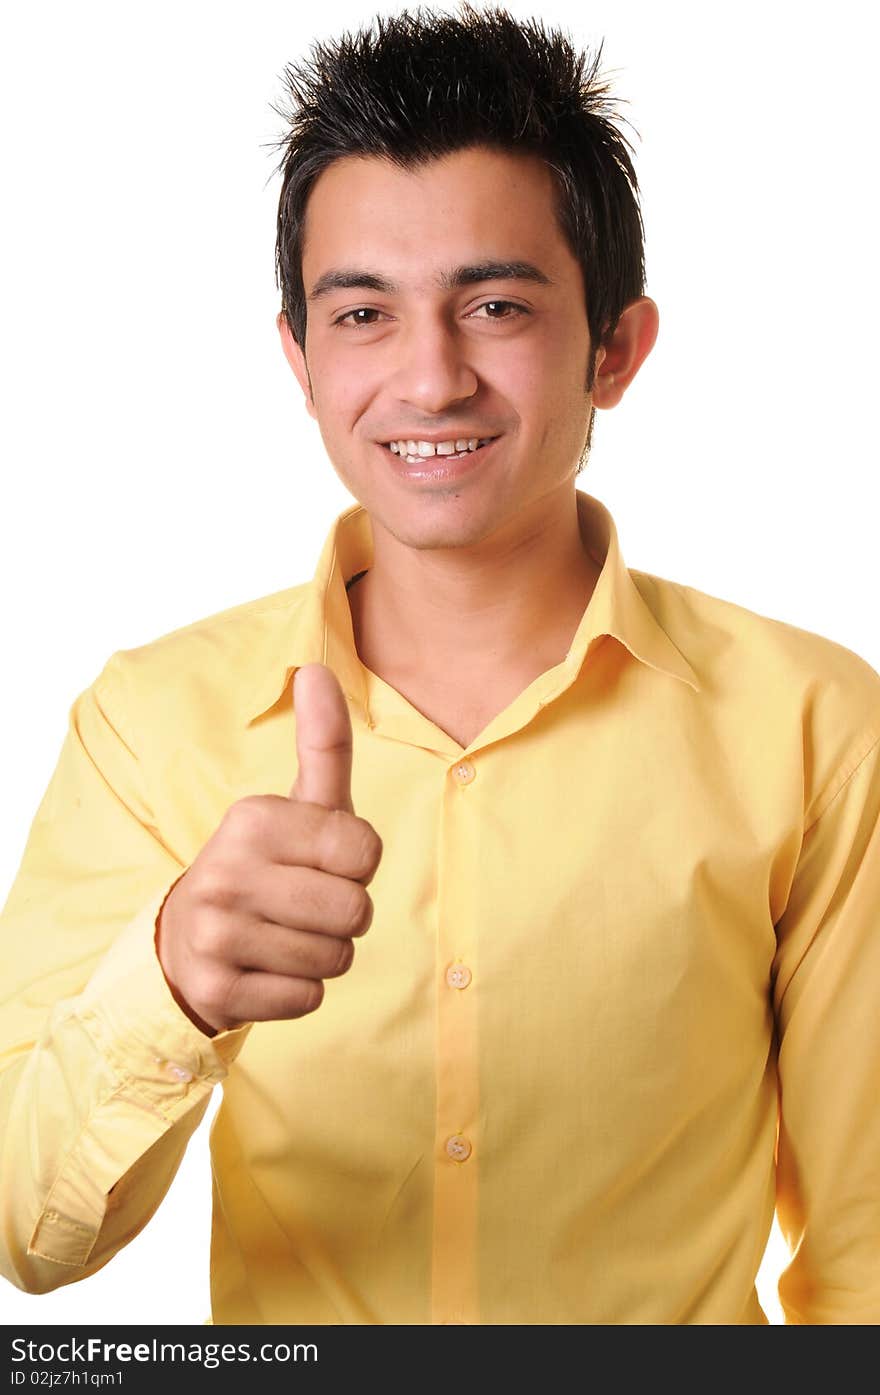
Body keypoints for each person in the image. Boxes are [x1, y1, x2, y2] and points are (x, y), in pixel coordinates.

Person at [1, 2, 878, 1326]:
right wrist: (170, 974)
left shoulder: (814, 724)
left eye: (497, 304)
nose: (430, 378)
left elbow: (865, 1258)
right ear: (299, 360)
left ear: (616, 350)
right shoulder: (153, 721)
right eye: (362, 313)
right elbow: (27, 1230)